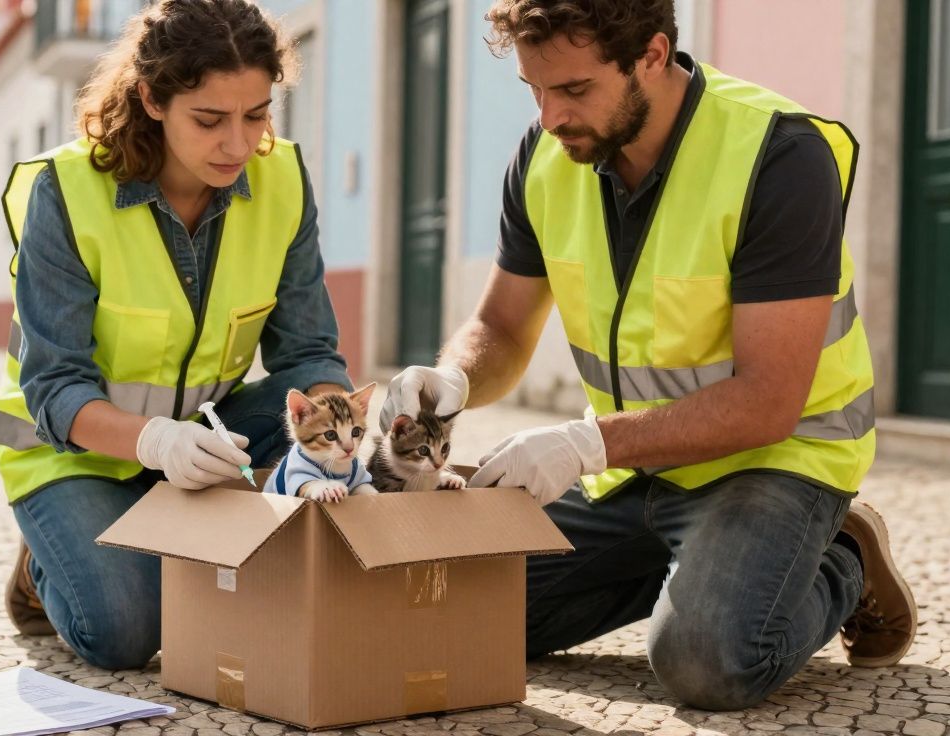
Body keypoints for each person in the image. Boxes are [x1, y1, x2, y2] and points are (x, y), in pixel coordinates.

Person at [381, 0, 916, 711]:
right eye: (534, 90)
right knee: (450, 610)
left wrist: (585, 442)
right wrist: (452, 376)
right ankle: (695, 564)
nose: (550, 117)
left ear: (653, 56)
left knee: (707, 659)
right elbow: (502, 327)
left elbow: (768, 400)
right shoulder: (546, 157)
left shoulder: (778, 155)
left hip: (776, 460)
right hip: (633, 470)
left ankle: (840, 559)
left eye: (573, 90)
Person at [0, 0, 352, 670]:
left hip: (205, 437)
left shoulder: (281, 180)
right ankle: (43, 567)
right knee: (126, 633)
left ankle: (172, 535)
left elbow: (306, 354)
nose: (239, 144)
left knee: (346, 458)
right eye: (210, 120)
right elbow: (55, 387)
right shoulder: (66, 192)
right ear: (153, 100)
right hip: (75, 454)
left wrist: (347, 431)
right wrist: (156, 441)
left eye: (257, 115)